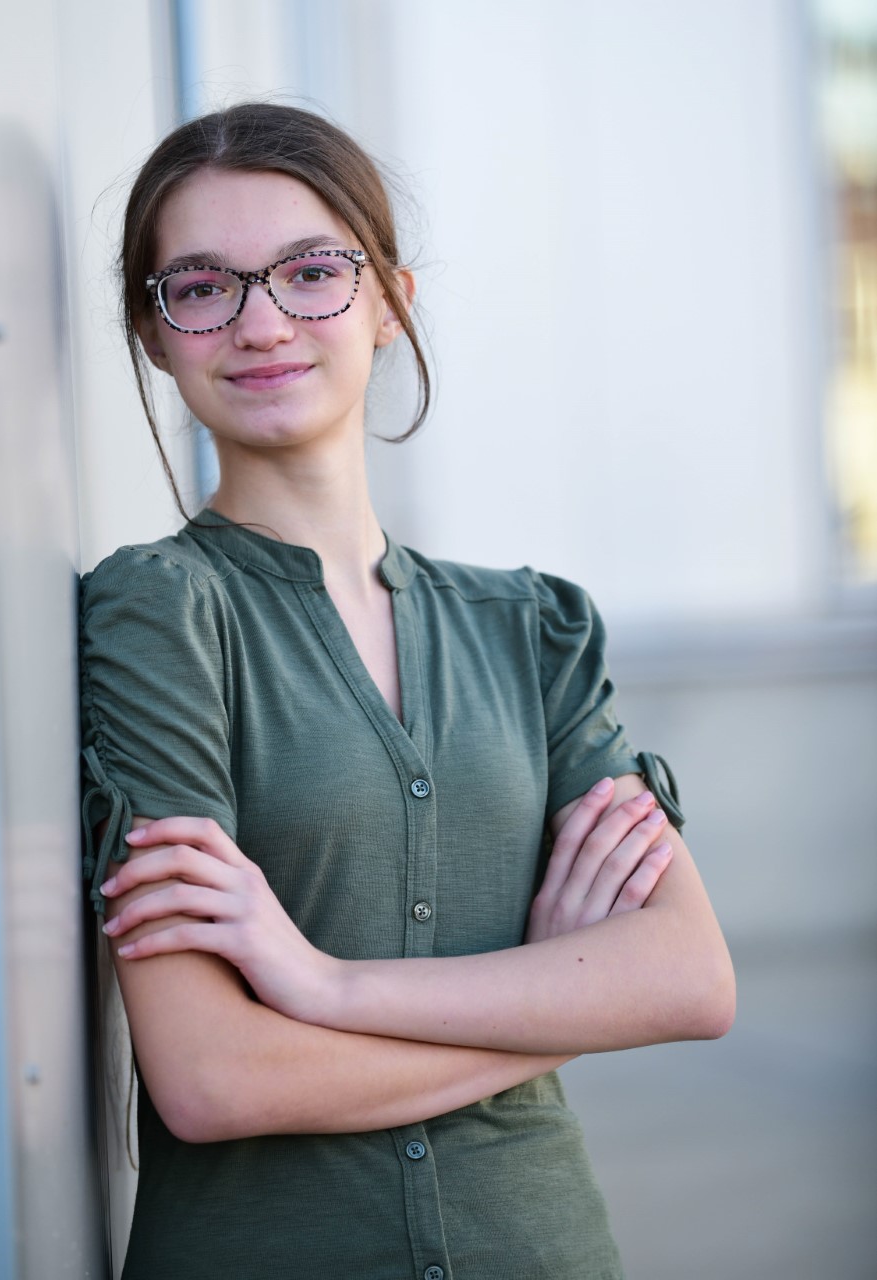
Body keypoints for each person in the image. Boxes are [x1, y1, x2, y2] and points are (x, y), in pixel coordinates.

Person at [79, 102, 735, 1280]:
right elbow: (213, 1079)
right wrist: (549, 1003)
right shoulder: (160, 614)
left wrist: (320, 982)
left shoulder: (529, 625)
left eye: (311, 272)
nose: (261, 322)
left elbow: (685, 977)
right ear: (152, 329)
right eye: (200, 286)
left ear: (389, 298)